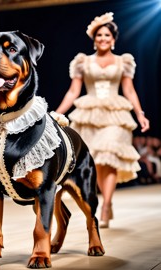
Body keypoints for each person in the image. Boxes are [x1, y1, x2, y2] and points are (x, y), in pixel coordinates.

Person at [55, 12, 150, 228]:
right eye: (99, 35)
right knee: (96, 161)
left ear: (113, 39)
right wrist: (57, 114)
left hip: (116, 114)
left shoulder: (123, 61)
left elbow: (130, 90)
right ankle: (102, 200)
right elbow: (73, 92)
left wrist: (140, 113)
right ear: (94, 38)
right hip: (89, 113)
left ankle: (106, 204)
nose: (103, 38)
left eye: (107, 35)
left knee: (110, 156)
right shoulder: (83, 61)